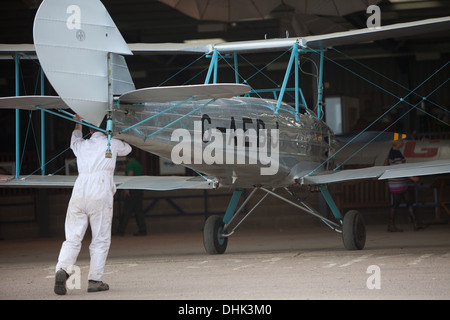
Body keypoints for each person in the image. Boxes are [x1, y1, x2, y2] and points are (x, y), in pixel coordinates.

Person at [54, 114, 131, 295]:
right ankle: (94, 279)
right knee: (100, 237)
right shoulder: (111, 142)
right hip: (101, 189)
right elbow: (127, 149)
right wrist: (116, 132)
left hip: (80, 189)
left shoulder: (82, 145)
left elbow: (74, 138)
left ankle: (62, 269)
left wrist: (78, 121)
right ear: (107, 129)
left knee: (72, 236)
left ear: (90, 130)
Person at [386, 139, 423, 232]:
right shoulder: (396, 153)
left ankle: (415, 223)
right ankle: (392, 225)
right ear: (398, 143)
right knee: (399, 203)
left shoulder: (392, 151)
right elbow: (400, 169)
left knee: (406, 201)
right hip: (398, 183)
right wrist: (412, 178)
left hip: (397, 182)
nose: (403, 143)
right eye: (402, 141)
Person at [116, 152, 147, 236]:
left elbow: (130, 175)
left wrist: (126, 188)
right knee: (138, 211)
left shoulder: (130, 165)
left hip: (132, 189)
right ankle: (142, 229)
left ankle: (120, 230)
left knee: (127, 210)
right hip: (139, 189)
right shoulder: (138, 164)